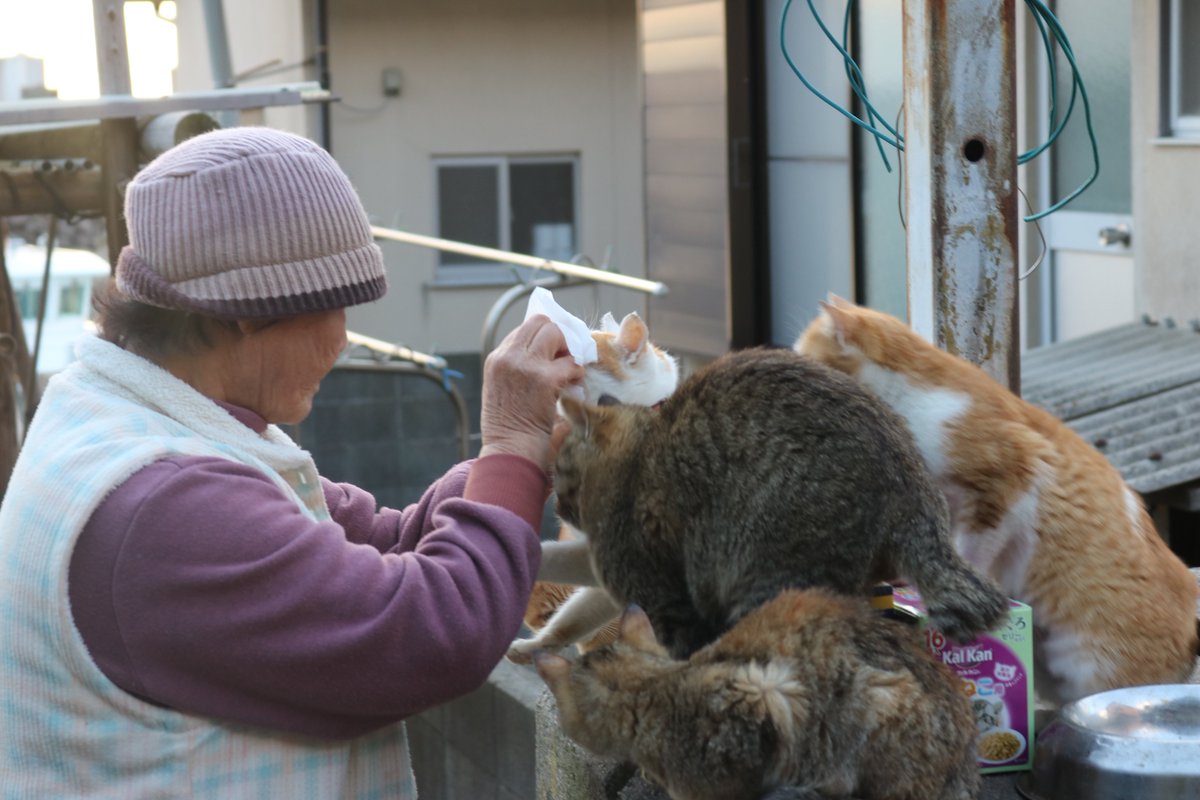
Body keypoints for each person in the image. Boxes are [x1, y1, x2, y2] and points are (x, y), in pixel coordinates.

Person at [0, 127, 584, 798]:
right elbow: (432, 632)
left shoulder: (127, 419)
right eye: (330, 303)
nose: (342, 337)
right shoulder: (165, 507)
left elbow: (388, 544)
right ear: (244, 312)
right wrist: (512, 444)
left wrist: (530, 449)